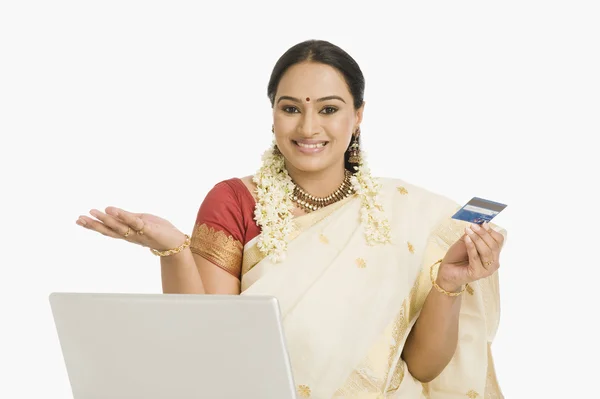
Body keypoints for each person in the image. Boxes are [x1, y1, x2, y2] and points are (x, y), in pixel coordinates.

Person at [76, 39, 508, 398]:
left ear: (357, 116)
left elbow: (425, 366)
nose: (307, 127)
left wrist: (448, 284)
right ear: (273, 115)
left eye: (328, 109)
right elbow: (207, 345)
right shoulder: (235, 201)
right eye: (290, 108)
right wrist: (172, 250)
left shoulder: (408, 214)